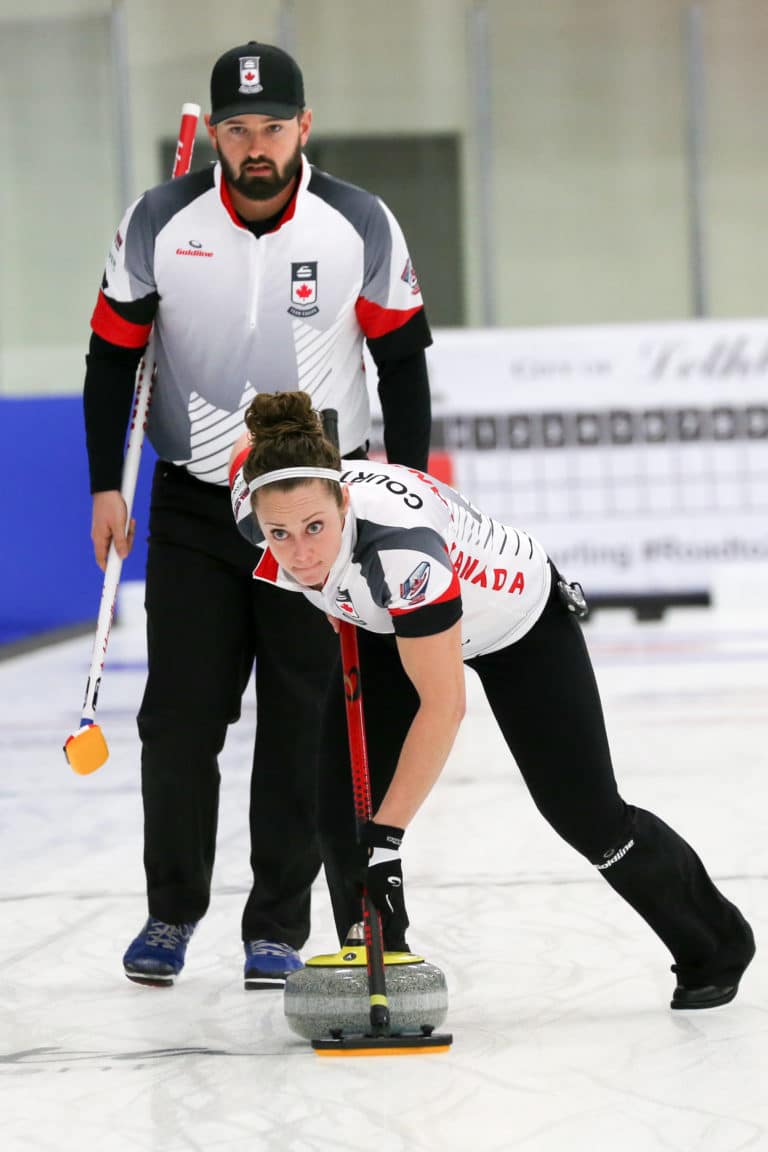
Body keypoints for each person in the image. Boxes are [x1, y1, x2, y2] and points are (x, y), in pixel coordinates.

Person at [82, 40, 433, 989]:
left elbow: (401, 358)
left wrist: (406, 484)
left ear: (303, 128)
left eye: (272, 126)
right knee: (181, 718)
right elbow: (114, 353)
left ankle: (274, 923)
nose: (255, 145)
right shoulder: (159, 221)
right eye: (237, 130)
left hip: (324, 510)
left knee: (302, 715)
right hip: (196, 505)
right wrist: (103, 485)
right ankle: (170, 911)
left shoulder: (358, 221)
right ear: (217, 138)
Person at [227, 390, 756, 1010]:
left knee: (587, 816)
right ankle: (380, 964)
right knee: (342, 807)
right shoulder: (263, 506)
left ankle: (717, 943)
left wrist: (390, 837)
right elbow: (309, 553)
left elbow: (443, 705)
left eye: (315, 527)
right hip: (389, 621)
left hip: (516, 622)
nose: (301, 552)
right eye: (280, 535)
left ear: (344, 499)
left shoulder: (403, 554)